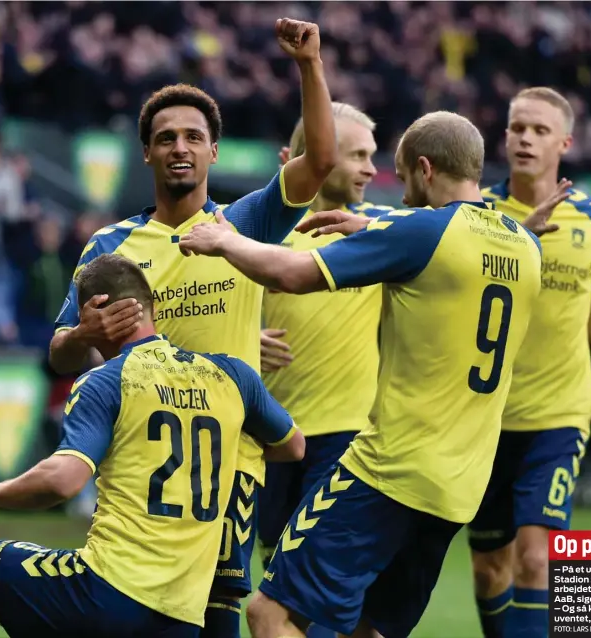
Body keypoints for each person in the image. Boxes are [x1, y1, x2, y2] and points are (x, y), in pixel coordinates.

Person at [179, 111, 544, 638]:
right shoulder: (524, 247)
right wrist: (380, 229)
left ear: (423, 169)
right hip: (458, 487)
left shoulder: (420, 231)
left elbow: (292, 272)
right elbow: (448, 253)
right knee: (368, 629)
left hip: (388, 471)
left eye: (404, 181)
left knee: (267, 613)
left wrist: (222, 240)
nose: (399, 196)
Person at [47, 18, 336, 637]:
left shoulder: (245, 223)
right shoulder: (111, 245)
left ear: (213, 151)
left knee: (216, 612)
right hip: (138, 469)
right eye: (167, 137)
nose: (180, 147)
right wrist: (84, 334)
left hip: (229, 463)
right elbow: (59, 353)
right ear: (147, 151)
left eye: (193, 137)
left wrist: (310, 66)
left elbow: (320, 164)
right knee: (133, 612)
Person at [0, 253, 305, 638]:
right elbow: (293, 446)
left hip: (105, 592)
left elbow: (63, 482)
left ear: (95, 310)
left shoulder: (106, 381)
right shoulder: (231, 376)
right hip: (183, 616)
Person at [468, 87, 591, 638]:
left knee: (537, 559)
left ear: (565, 143)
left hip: (560, 416)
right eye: (517, 127)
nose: (525, 138)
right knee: (488, 569)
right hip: (485, 422)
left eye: (540, 130)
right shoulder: (475, 215)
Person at [257, 103, 387, 638]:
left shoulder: (379, 232)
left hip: (345, 439)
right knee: (280, 590)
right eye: (356, 155)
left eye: (371, 156)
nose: (370, 169)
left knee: (304, 601)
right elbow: (195, 313)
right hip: (268, 437)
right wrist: (240, 340)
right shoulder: (258, 230)